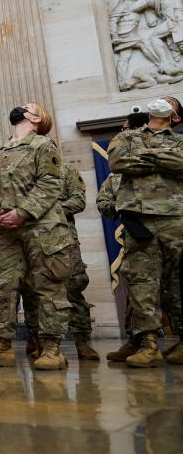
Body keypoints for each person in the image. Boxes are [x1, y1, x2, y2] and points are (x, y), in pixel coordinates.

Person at [0, 103, 72, 370]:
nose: (18, 108)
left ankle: (51, 349)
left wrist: (23, 212)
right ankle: (1, 347)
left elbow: (50, 184)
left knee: (48, 287)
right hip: (5, 231)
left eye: (26, 107)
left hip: (43, 228)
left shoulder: (43, 146)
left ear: (36, 118)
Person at [107, 96, 183, 367]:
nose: (162, 102)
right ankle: (149, 342)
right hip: (140, 218)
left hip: (175, 217)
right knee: (142, 282)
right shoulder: (126, 137)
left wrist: (147, 157)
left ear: (176, 117)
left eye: (170, 102)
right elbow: (117, 163)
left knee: (177, 282)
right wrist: (165, 160)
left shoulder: (180, 140)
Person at [21, 157, 98, 361]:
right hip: (31, 240)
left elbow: (78, 201)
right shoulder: (22, 173)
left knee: (73, 288)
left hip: (63, 239)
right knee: (33, 290)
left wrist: (43, 209)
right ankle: (38, 340)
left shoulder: (65, 170)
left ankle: (82, 341)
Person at [97, 111, 147, 362]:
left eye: (127, 129)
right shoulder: (115, 177)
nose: (123, 134)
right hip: (137, 237)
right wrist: (122, 207)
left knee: (173, 288)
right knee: (139, 289)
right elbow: (104, 203)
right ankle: (140, 341)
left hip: (173, 232)